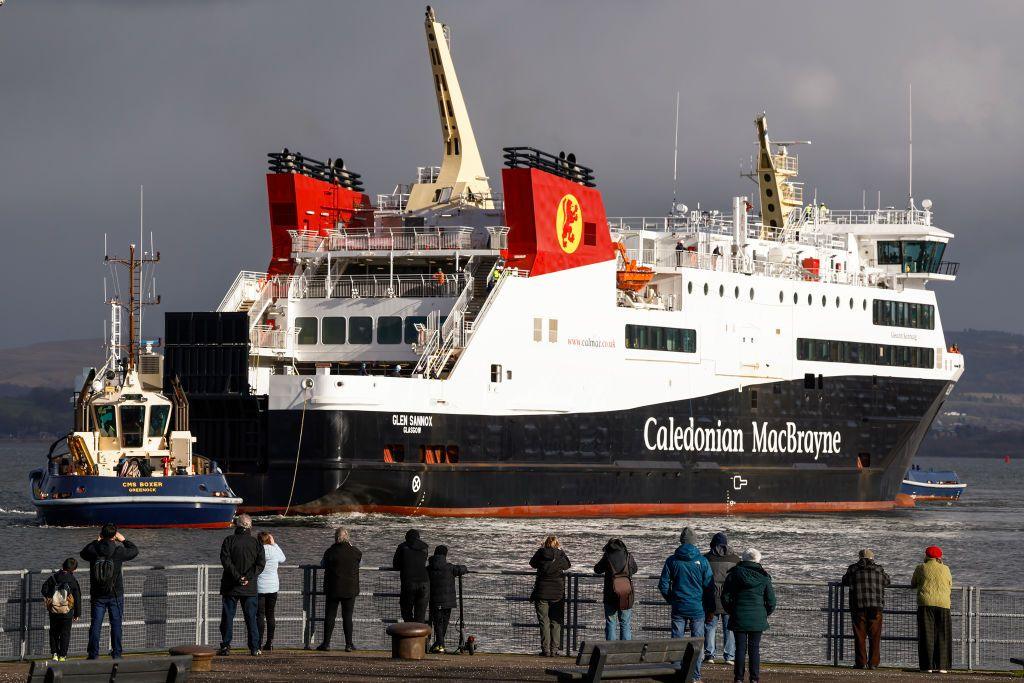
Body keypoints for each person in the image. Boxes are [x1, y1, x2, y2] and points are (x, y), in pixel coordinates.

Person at [658, 527, 714, 681]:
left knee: (677, 641)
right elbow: (709, 587)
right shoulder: (703, 561)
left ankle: (676, 675)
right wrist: (710, 608)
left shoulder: (672, 560)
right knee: (697, 643)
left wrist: (672, 600)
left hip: (679, 607)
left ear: (681, 541)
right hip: (697, 608)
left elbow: (663, 585)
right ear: (694, 542)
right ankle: (695, 676)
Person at [80, 523, 138, 660]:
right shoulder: (118, 551)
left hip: (97, 595)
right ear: (114, 536)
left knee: (95, 625)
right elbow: (134, 551)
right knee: (116, 625)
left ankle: (93, 654)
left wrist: (96, 541)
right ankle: (117, 653)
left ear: (101, 534)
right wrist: (123, 540)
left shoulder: (94, 550)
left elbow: (83, 553)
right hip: (115, 594)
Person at [721, 548, 777, 683]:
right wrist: (764, 614)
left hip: (739, 616)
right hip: (757, 617)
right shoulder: (764, 576)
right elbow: (771, 601)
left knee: (740, 648)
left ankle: (739, 678)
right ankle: (754, 679)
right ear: (758, 560)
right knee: (754, 649)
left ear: (743, 559)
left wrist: (732, 611)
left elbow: (725, 597)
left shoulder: (734, 574)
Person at [217, 514, 266, 656]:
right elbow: (260, 564)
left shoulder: (229, 540)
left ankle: (226, 646)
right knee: (251, 618)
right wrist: (247, 577)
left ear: (236, 525)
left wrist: (238, 577)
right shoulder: (256, 543)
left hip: (230, 586)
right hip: (249, 587)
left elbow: (226, 561)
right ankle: (255, 647)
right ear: (250, 526)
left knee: (227, 617)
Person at [842, 549, 891, 669]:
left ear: (859, 558)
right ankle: (873, 664)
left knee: (860, 636)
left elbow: (845, 581)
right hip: (875, 607)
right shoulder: (879, 569)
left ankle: (861, 663)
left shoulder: (853, 569)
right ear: (872, 558)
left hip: (858, 606)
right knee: (875, 637)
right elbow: (887, 581)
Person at [318, 528, 362, 652]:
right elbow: (361, 563)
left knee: (330, 616)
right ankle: (348, 644)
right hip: (350, 589)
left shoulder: (330, 551)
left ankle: (326, 644)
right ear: (347, 538)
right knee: (347, 617)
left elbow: (322, 564)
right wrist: (351, 546)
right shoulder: (355, 551)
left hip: (333, 588)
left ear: (335, 538)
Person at [912, 546, 953, 673]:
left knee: (926, 634)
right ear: (939, 557)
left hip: (925, 603)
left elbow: (913, 583)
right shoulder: (945, 568)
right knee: (943, 634)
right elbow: (950, 583)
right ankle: (942, 666)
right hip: (943, 604)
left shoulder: (920, 568)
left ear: (926, 556)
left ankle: (927, 666)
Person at [530, 535, 571, 657]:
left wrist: (541, 550)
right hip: (557, 593)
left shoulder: (541, 552)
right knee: (556, 622)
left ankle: (545, 650)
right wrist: (560, 550)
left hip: (542, 591)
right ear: (557, 543)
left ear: (545, 543)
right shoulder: (560, 554)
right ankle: (554, 650)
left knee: (544, 621)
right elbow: (568, 565)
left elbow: (532, 563)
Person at [704, 532, 741, 665]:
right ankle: (729, 656)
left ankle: (709, 655)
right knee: (729, 628)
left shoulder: (706, 558)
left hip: (711, 599)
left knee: (710, 627)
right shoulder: (735, 559)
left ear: (712, 544)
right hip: (729, 599)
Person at [594, 538, 638, 641]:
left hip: (610, 594)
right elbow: (635, 569)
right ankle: (626, 651)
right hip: (626, 594)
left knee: (611, 622)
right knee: (625, 623)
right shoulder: (628, 555)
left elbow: (597, 569)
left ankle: (611, 651)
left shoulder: (607, 556)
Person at [427, 545, 468, 653]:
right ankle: (440, 645)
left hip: (435, 601)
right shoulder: (450, 567)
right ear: (445, 555)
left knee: (437, 623)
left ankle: (439, 645)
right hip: (448, 601)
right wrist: (463, 567)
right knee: (444, 622)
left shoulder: (429, 568)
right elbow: (462, 569)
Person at [41, 557, 82, 661]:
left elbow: (44, 589)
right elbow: (77, 598)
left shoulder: (54, 578)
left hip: (54, 611)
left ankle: (54, 654)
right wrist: (77, 613)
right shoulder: (72, 580)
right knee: (65, 633)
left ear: (62, 565)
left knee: (54, 632)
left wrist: (51, 596)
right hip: (67, 611)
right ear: (73, 570)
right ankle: (63, 656)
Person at [256, 531, 285, 652]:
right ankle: (270, 642)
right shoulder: (274, 550)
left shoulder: (258, 551)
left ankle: (258, 643)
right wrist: (275, 544)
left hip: (260, 587)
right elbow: (283, 559)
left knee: (260, 615)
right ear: (269, 539)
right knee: (270, 615)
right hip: (273, 587)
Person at [393, 529, 430, 623]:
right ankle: (420, 636)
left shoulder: (402, 547)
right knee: (420, 615)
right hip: (424, 582)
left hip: (408, 582)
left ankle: (410, 634)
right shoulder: (425, 547)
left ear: (406, 537)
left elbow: (396, 565)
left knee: (406, 612)